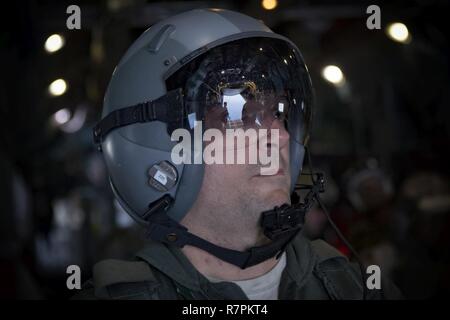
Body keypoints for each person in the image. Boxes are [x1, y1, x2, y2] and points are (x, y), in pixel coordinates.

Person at [76, 8, 402, 300]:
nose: (280, 135)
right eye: (239, 117)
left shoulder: (355, 288)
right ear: (160, 152)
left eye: (278, 113)